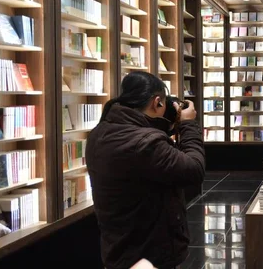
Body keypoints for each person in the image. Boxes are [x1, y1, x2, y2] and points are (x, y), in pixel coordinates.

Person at [86, 71, 205, 269]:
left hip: (118, 245)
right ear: (157, 101)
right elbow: (194, 169)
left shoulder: (100, 132)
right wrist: (188, 125)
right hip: (149, 252)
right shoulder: (145, 143)